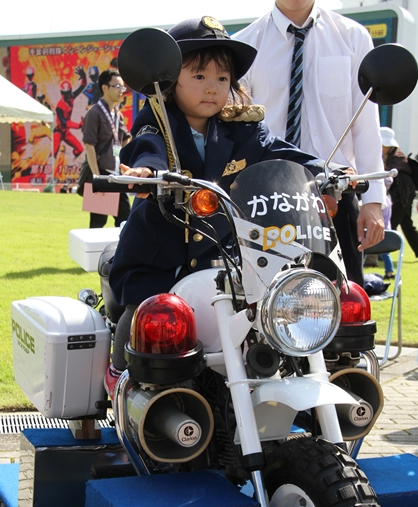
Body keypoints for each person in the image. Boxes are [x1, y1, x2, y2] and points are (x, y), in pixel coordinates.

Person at [104, 15, 337, 395]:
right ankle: (119, 373)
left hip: (223, 254)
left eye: (222, 78)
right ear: (170, 79)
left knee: (263, 311)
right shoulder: (157, 118)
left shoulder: (244, 128)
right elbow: (148, 147)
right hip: (159, 253)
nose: (212, 87)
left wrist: (327, 170)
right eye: (199, 76)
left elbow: (281, 152)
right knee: (144, 311)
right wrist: (147, 172)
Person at [233, 0, 386, 287]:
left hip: (336, 193)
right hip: (267, 200)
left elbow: (366, 122)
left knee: (345, 298)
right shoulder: (245, 44)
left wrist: (373, 201)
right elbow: (239, 129)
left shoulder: (353, 37)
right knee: (266, 300)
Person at [82, 69, 131, 228]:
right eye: (117, 86)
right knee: (98, 222)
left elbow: (125, 138)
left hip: (117, 174)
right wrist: (97, 178)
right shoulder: (94, 113)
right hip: (102, 173)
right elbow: (89, 146)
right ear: (105, 87)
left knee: (125, 218)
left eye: (122, 87)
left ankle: (121, 246)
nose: (121, 90)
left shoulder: (118, 114)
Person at [381, 126, 418, 262]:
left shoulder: (396, 158)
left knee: (390, 223)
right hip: (404, 196)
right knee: (406, 224)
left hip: (402, 196)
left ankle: (381, 253)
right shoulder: (393, 156)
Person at [53, 66, 87, 158]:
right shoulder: (59, 107)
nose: (68, 95)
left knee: (80, 149)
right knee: (53, 154)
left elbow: (82, 86)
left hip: (66, 132)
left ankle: (71, 161)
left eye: (69, 93)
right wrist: (78, 125)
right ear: (62, 93)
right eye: (65, 93)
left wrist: (84, 76)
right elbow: (64, 122)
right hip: (58, 132)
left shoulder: (71, 97)